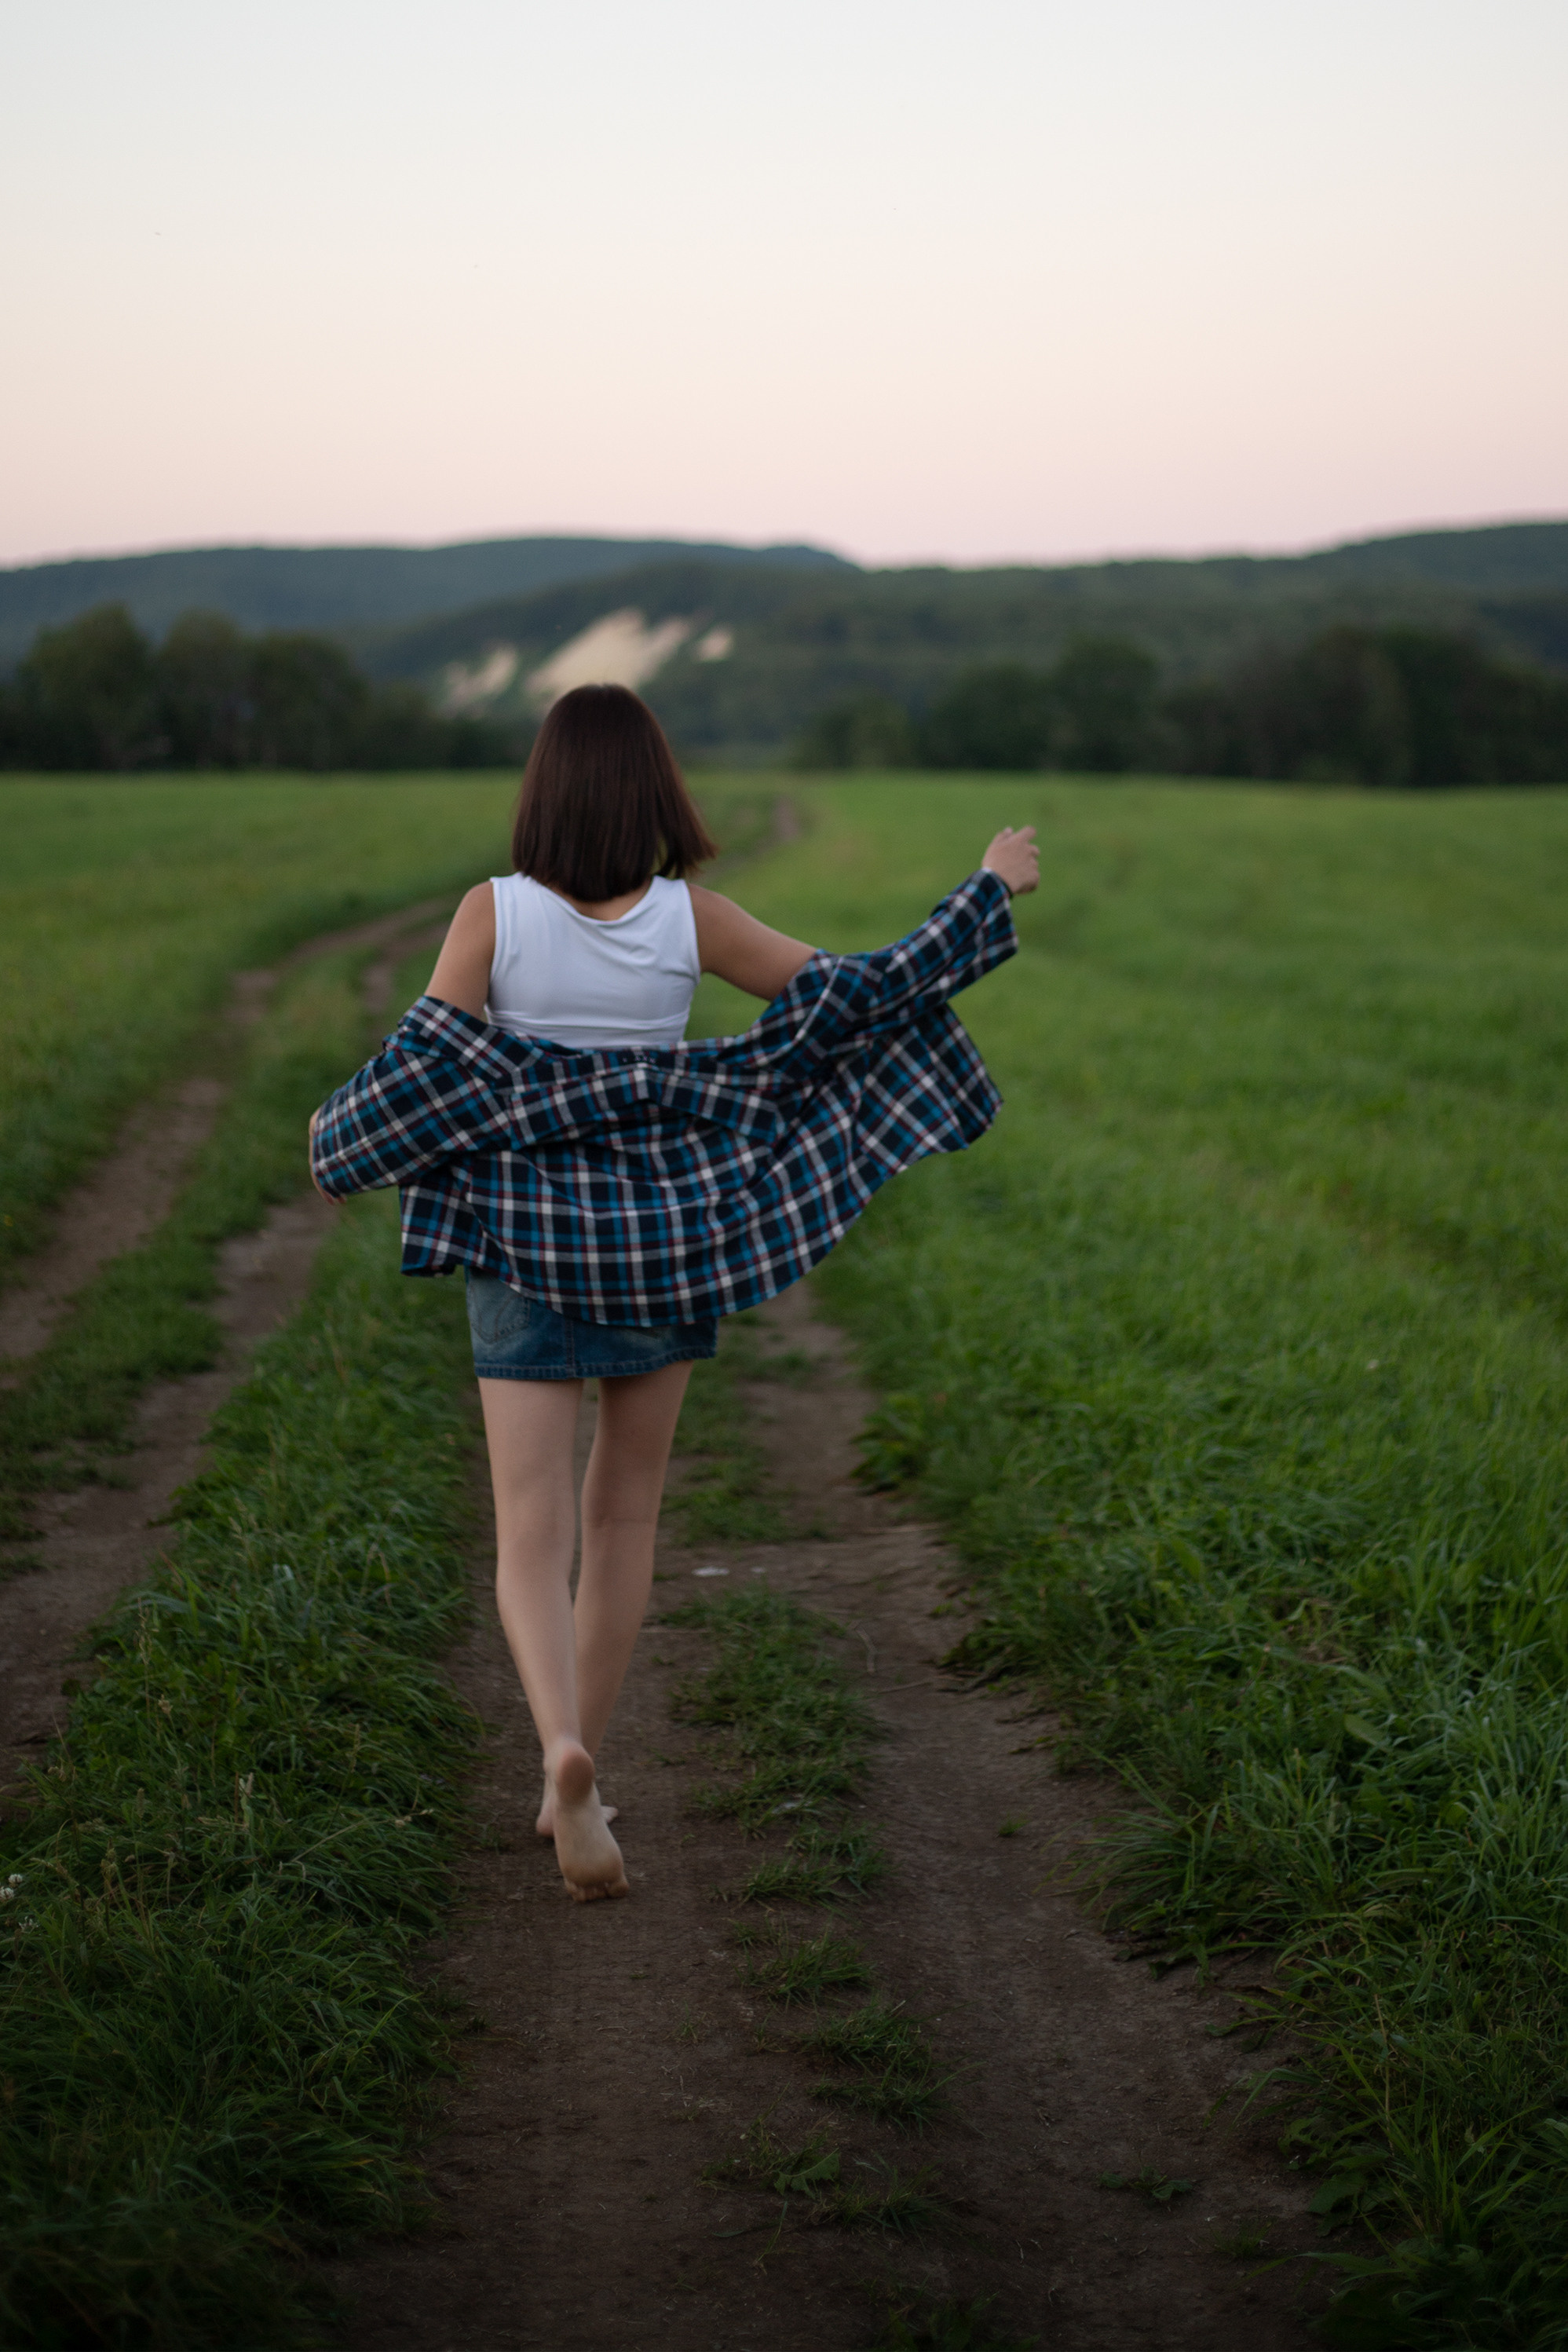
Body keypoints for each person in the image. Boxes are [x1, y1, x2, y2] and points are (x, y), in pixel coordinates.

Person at [314, 683, 1037, 1904]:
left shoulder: (490, 915)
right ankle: (574, 1781)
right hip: (663, 1237)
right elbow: (854, 996)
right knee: (624, 1520)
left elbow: (421, 1070)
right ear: (658, 792)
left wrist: (341, 1145)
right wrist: (984, 891)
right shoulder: (690, 919)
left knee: (530, 1534)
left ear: (541, 793)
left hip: (524, 1243)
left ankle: (557, 1751)